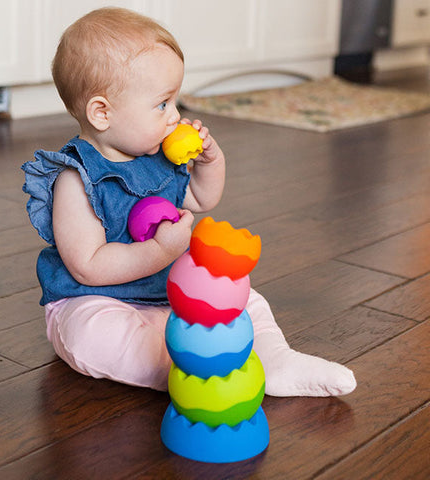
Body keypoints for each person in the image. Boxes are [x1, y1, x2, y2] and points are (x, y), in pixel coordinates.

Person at [22, 7, 356, 396]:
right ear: (102, 112)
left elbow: (200, 197)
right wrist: (163, 250)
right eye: (162, 104)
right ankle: (197, 370)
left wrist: (211, 162)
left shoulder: (158, 156)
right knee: (93, 335)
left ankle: (273, 359)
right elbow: (89, 268)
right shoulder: (75, 180)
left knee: (244, 296)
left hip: (167, 293)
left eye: (174, 100)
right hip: (99, 299)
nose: (175, 115)